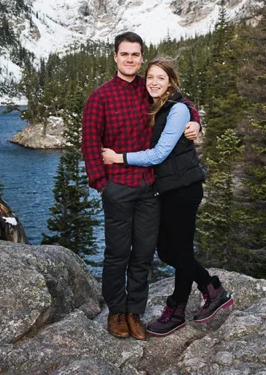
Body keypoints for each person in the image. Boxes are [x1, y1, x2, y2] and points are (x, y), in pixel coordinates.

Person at [102, 57, 233, 337]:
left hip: (183, 188)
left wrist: (119, 158)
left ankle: (179, 308)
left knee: (180, 251)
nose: (154, 82)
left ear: (171, 81)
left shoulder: (177, 109)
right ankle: (212, 289)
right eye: (150, 77)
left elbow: (160, 153)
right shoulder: (157, 103)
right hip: (166, 189)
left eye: (161, 78)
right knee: (167, 250)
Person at [81, 33, 200, 340]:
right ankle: (116, 312)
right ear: (115, 57)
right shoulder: (101, 97)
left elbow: (181, 102)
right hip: (118, 188)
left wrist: (195, 119)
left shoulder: (149, 91)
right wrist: (102, 184)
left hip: (150, 188)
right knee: (117, 253)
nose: (130, 59)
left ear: (141, 58)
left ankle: (135, 312)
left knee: (144, 254)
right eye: (125, 54)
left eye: (135, 55)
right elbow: (90, 143)